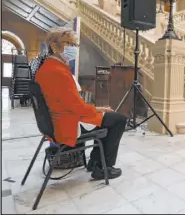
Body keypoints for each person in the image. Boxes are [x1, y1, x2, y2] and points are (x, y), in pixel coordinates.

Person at [34, 27, 127, 180]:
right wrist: (99, 111)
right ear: (54, 46)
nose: (74, 48)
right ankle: (103, 167)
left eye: (75, 45)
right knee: (118, 120)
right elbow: (77, 108)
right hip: (67, 125)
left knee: (107, 118)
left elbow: (69, 103)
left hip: (57, 123)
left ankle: (95, 163)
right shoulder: (58, 72)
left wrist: (98, 110)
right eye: (69, 43)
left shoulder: (47, 68)